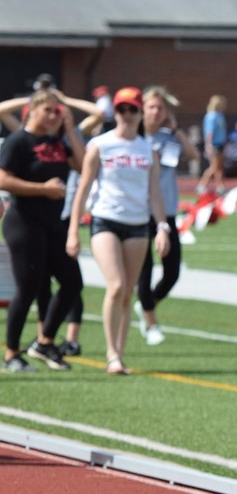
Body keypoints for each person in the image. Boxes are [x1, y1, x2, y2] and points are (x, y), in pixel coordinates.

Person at [68, 86, 170, 375]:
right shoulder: (100, 145)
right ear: (115, 112)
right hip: (105, 219)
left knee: (127, 292)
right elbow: (83, 188)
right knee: (115, 285)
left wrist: (162, 227)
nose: (127, 114)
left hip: (138, 224)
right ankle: (111, 353)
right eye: (121, 109)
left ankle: (119, 355)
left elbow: (155, 194)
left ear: (140, 113)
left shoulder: (147, 150)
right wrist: (73, 229)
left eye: (132, 109)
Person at [0, 89, 85, 373]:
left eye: (56, 111)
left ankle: (44, 341)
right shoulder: (19, 141)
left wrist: (69, 129)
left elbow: (83, 165)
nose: (52, 116)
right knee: (28, 288)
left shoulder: (57, 142)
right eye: (47, 110)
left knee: (72, 282)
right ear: (32, 110)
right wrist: (42, 189)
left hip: (53, 223)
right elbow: (3, 179)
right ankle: (11, 353)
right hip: (24, 221)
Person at [135, 86, 199, 346]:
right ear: (142, 109)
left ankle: (147, 302)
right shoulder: (134, 137)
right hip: (140, 212)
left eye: (160, 108)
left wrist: (176, 129)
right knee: (144, 270)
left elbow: (193, 155)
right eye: (151, 107)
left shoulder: (168, 138)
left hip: (167, 211)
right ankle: (151, 323)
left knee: (172, 272)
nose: (156, 112)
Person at [198, 94, 228, 194]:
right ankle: (202, 185)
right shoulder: (211, 116)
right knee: (214, 167)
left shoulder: (220, 115)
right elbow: (209, 132)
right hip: (214, 144)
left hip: (220, 144)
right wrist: (208, 145)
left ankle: (220, 186)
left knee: (219, 167)